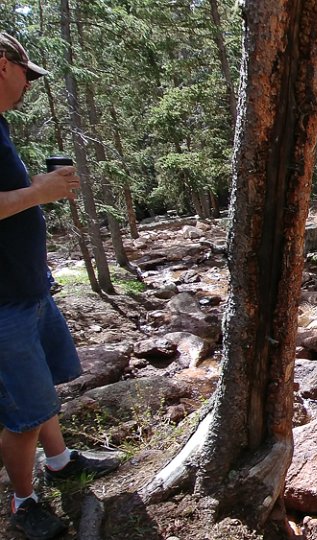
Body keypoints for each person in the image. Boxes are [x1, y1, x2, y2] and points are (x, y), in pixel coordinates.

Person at [1, 32, 117, 539]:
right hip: (4, 303)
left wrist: (37, 191)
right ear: (3, 65)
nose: (28, 84)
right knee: (24, 411)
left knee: (43, 388)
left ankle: (61, 461)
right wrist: (38, 193)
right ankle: (22, 501)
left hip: (27, 288)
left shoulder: (0, 125)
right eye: (26, 73)